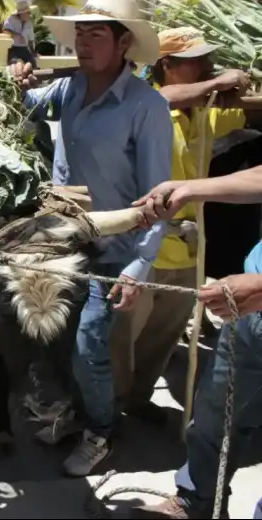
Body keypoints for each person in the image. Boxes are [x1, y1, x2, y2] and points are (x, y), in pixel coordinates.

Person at [9, 0, 173, 477]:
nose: (83, 45)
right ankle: (74, 416)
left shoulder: (147, 107)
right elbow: (27, 103)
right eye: (80, 35)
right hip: (64, 241)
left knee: (87, 346)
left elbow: (158, 196)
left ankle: (102, 431)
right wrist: (15, 82)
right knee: (53, 336)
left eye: (96, 35)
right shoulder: (69, 88)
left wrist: (140, 265)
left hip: (114, 249)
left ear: (124, 44)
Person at [111, 27, 259, 426]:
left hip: (190, 247)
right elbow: (163, 96)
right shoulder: (147, 106)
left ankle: (138, 400)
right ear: (167, 65)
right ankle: (107, 412)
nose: (210, 66)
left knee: (161, 336)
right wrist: (216, 82)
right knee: (119, 339)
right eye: (199, 60)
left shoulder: (209, 111)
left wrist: (238, 88)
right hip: (143, 246)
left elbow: (250, 106)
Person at [129, 162, 262, 519]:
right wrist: (190, 188)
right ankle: (196, 500)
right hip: (250, 314)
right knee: (214, 414)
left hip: (256, 294)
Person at [4, 0, 36, 66]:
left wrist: (33, 52)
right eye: (28, 12)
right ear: (22, 13)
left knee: (33, 64)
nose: (30, 14)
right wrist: (17, 35)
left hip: (24, 49)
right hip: (13, 48)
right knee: (15, 63)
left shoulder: (29, 23)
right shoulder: (11, 19)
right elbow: (6, 31)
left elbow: (31, 40)